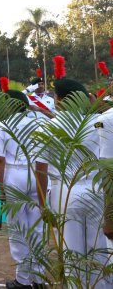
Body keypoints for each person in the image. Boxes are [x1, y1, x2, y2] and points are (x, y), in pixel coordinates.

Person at [35, 76, 107, 288]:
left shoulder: (48, 127)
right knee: (98, 253)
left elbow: (41, 169)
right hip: (95, 190)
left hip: (65, 191)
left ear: (58, 99)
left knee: (72, 255)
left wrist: (42, 205)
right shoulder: (98, 123)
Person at [0, 90, 44, 289]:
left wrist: (1, 188)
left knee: (17, 227)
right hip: (36, 172)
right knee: (37, 227)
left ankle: (22, 279)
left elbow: (0, 159)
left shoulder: (2, 125)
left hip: (14, 174)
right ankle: (39, 277)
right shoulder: (39, 123)